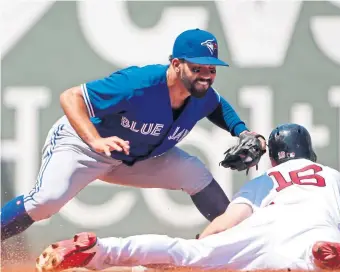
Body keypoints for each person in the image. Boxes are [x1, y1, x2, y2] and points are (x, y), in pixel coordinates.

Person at [1, 28, 266, 242]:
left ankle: (240, 241)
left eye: (212, 69)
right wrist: (95, 139)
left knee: (194, 173)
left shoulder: (202, 95)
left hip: (133, 156)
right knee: (45, 202)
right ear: (176, 64)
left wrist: (242, 131)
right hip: (83, 146)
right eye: (197, 68)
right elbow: (71, 97)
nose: (206, 76)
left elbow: (217, 105)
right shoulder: (139, 83)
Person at [35, 123, 340, 272]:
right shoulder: (334, 178)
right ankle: (320, 254)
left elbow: (228, 221)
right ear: (310, 151)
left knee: (185, 253)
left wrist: (201, 244)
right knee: (305, 263)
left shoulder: (268, 178)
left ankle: (101, 249)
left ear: (275, 157)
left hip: (262, 228)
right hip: (314, 234)